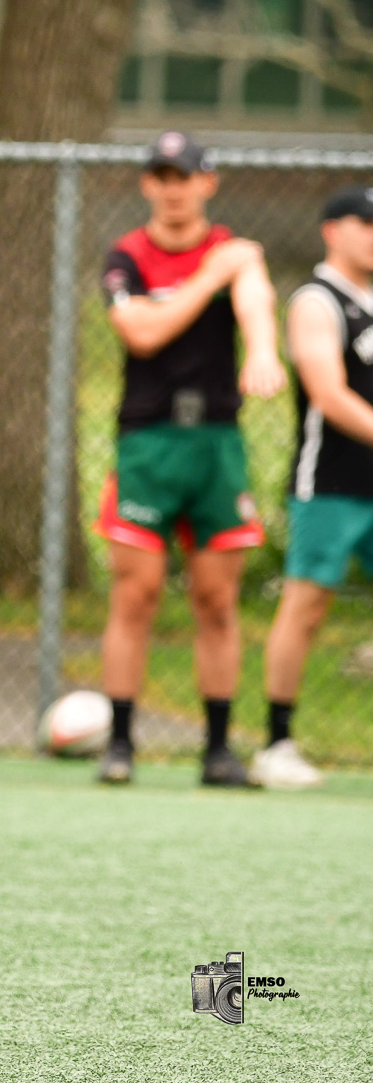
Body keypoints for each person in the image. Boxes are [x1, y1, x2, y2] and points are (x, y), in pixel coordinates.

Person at [93, 131, 285, 787]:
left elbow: (255, 298)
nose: (174, 189)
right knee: (136, 594)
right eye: (162, 176)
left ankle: (218, 748)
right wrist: (211, 277)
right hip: (148, 441)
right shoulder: (128, 257)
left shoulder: (235, 254)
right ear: (148, 184)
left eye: (186, 176)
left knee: (216, 600)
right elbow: (142, 332)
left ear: (209, 182)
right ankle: (120, 744)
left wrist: (262, 350)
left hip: (216, 443)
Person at [255, 187, 373, 789]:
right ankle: (276, 743)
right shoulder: (316, 300)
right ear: (333, 231)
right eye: (365, 223)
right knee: (307, 607)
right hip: (330, 482)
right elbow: (329, 394)